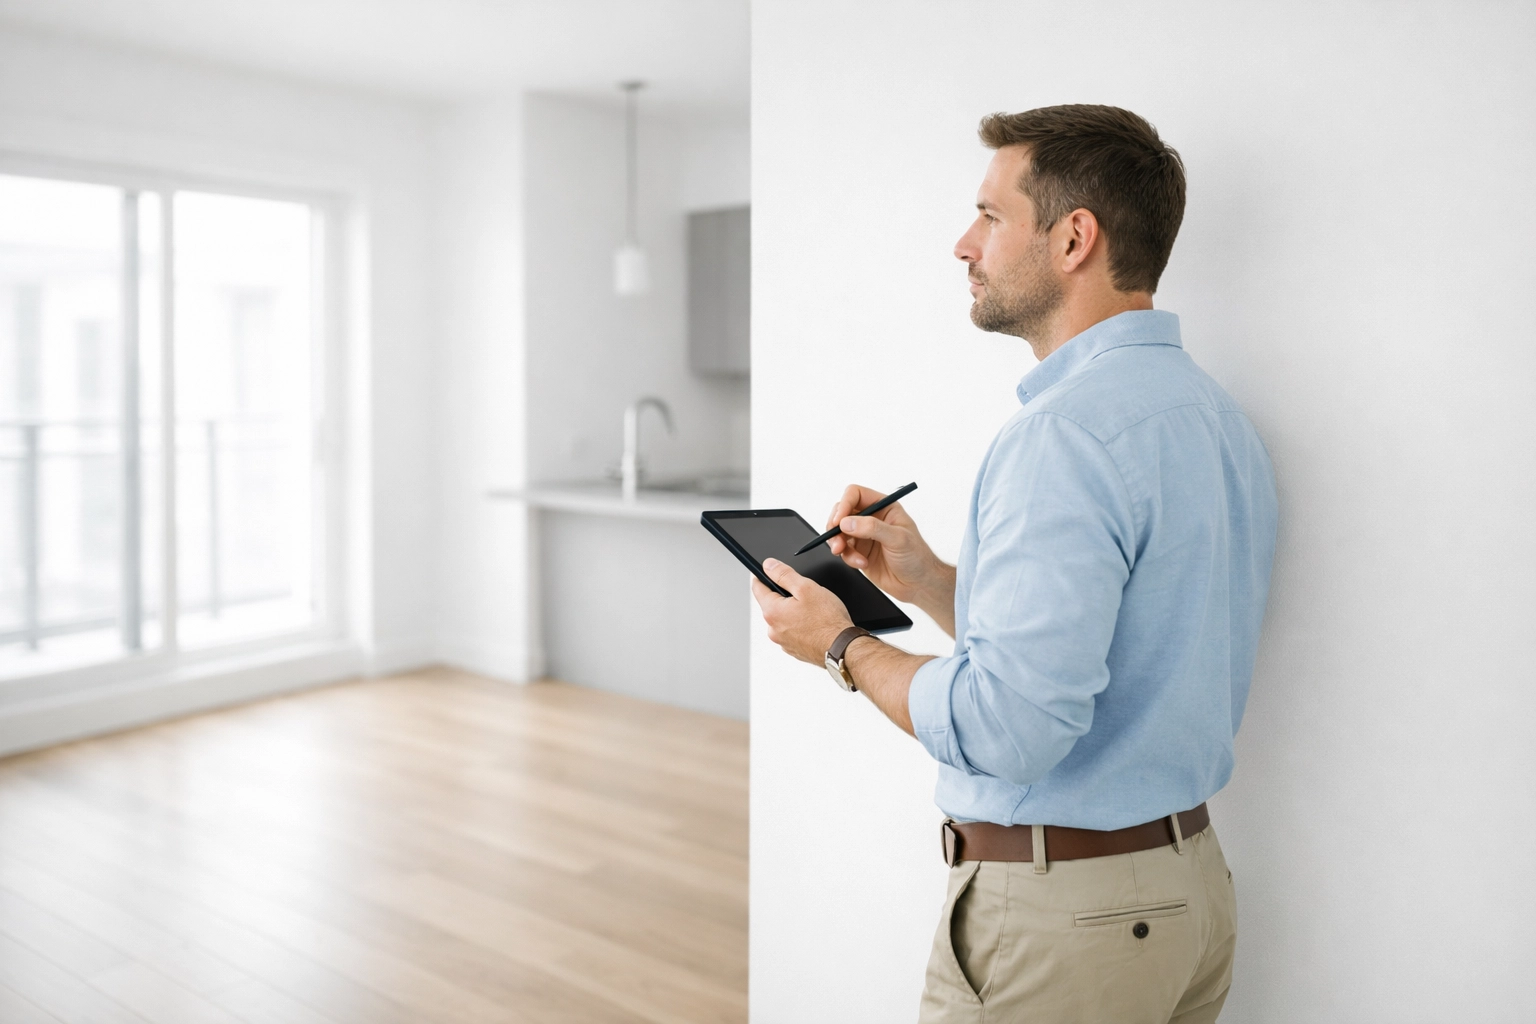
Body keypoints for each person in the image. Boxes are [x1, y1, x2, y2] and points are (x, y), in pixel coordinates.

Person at [750, 104, 1278, 1023]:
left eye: (990, 216)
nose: (964, 244)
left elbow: (1012, 729)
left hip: (1068, 921)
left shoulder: (1062, 437)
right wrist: (927, 581)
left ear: (1075, 238)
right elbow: (1111, 646)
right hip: (1188, 895)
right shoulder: (1212, 416)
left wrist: (841, 647)